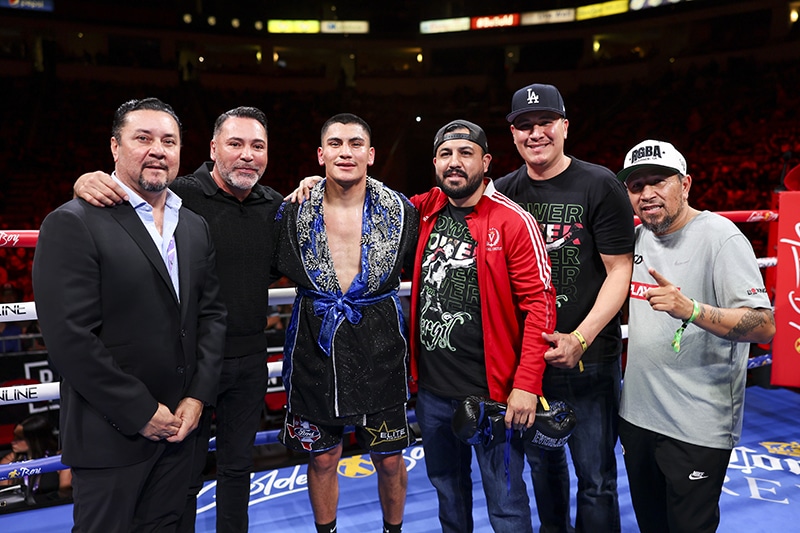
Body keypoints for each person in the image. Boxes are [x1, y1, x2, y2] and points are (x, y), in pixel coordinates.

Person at [73, 106, 284, 532]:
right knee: (181, 477)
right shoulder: (180, 193)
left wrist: (314, 186)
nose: (247, 155)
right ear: (212, 149)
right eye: (236, 144)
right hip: (188, 364)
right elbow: (127, 191)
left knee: (237, 470)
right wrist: (83, 180)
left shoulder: (275, 205)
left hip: (248, 359)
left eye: (257, 146)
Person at [32, 97, 227, 531]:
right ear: (115, 148)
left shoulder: (193, 225)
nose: (158, 149)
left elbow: (211, 317)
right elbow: (69, 338)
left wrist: (197, 397)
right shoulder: (74, 221)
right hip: (111, 436)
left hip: (182, 433)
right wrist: (140, 410)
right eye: (144, 138)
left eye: (169, 140)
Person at [494, 83, 634, 533]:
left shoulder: (599, 183)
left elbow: (619, 271)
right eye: (525, 126)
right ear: (513, 134)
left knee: (596, 479)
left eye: (545, 123)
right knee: (544, 472)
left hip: (589, 360)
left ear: (565, 126)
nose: (536, 134)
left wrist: (580, 337)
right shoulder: (501, 192)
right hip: (530, 366)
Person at [615, 139, 775, 533]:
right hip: (637, 419)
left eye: (659, 181)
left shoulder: (721, 238)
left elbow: (764, 326)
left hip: (696, 427)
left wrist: (693, 310)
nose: (647, 194)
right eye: (636, 186)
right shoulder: (636, 239)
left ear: (685, 184)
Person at [408, 119, 557, 532]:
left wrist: (527, 383)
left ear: (485, 161)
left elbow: (540, 305)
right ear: (435, 162)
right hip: (434, 394)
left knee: (506, 504)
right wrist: (319, 181)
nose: (454, 163)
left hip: (495, 396)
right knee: (447, 491)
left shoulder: (512, 220)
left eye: (465, 153)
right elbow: (373, 201)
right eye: (445, 155)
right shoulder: (427, 208)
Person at [275, 113, 418, 533]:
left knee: (390, 459)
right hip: (315, 346)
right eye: (335, 143)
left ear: (370, 155)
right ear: (321, 154)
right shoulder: (292, 211)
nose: (345, 151)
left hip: (380, 345)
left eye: (355, 143)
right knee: (322, 457)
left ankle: (394, 531)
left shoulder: (401, 209)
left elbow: (457, 199)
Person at [0, 414, 72, 502]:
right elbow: (4, 498)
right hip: (19, 511)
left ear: (34, 440)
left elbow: (65, 495)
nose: (13, 441)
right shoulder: (9, 461)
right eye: (14, 436)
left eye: (19, 438)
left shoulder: (59, 460)